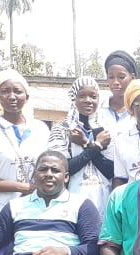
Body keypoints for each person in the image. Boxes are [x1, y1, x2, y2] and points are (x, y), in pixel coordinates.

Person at [0, 69, 50, 228]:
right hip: (1, 209)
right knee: (1, 251)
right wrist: (22, 187)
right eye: (5, 91)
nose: (12, 96)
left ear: (26, 97)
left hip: (38, 207)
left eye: (18, 91)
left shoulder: (41, 129)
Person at [47, 76, 115, 211]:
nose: (88, 101)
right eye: (82, 96)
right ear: (74, 99)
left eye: (93, 96)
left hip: (103, 201)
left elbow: (111, 171)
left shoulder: (106, 129)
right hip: (69, 204)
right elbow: (61, 170)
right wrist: (96, 146)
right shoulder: (62, 129)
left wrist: (86, 143)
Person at [100, 50, 137, 133]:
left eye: (121, 77)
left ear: (133, 78)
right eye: (111, 77)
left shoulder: (139, 110)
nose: (115, 82)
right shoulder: (98, 108)